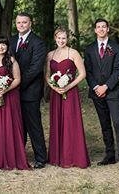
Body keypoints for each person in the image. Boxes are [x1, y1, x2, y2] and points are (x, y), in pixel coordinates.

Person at [84, 18, 119, 171]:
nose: (101, 29)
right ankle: (110, 155)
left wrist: (106, 86)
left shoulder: (116, 48)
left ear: (108, 29)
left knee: (117, 122)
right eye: (98, 27)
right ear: (95, 30)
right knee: (105, 125)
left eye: (104, 26)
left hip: (113, 92)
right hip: (96, 92)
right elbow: (88, 71)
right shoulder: (89, 49)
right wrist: (97, 86)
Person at [46, 28, 90, 168]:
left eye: (64, 38)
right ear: (55, 38)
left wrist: (68, 86)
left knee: (71, 122)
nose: (61, 41)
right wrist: (53, 87)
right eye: (59, 38)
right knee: (57, 121)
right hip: (56, 92)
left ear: (68, 39)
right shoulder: (50, 55)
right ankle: (57, 156)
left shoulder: (74, 53)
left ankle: (73, 156)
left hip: (70, 92)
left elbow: (82, 74)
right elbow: (47, 75)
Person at [0, 35, 30, 170]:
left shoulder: (11, 60)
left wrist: (5, 90)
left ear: (7, 46)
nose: (0, 47)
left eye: (3, 44)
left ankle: (12, 156)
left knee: (10, 124)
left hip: (10, 96)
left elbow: (17, 79)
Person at [10, 12, 48, 168]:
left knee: (33, 124)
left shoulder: (38, 43)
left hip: (30, 90)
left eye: (24, 22)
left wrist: (18, 83)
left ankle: (40, 157)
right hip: (12, 91)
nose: (21, 25)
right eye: (19, 22)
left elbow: (36, 68)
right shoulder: (11, 41)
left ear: (30, 23)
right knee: (17, 124)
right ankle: (19, 154)